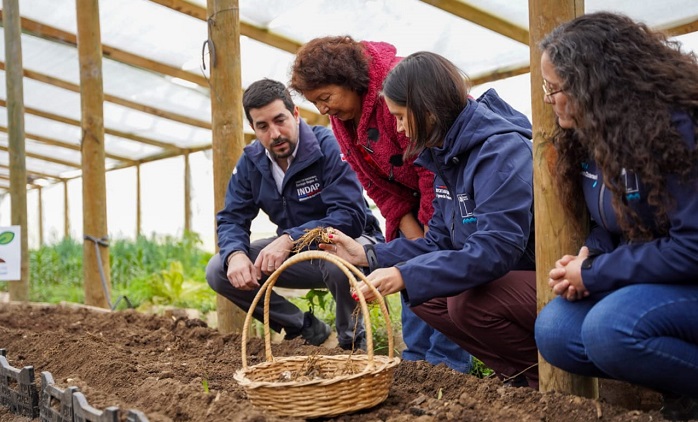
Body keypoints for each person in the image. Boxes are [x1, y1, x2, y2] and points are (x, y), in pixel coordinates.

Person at [322, 51, 539, 388]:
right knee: (424, 296)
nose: (398, 128)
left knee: (466, 303)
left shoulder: (499, 151)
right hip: (507, 275)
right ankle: (516, 374)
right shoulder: (444, 156)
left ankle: (544, 376)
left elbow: (496, 249)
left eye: (401, 116)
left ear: (427, 109)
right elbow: (438, 241)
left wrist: (405, 273)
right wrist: (368, 255)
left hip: (542, 276)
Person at [533, 12, 698, 420]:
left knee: (610, 330)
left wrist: (595, 274)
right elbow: (620, 223)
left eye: (554, 88)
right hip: (663, 279)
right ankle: (681, 391)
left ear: (593, 84)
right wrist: (591, 252)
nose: (549, 98)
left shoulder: (678, 129)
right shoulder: (599, 134)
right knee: (555, 331)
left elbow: (692, 246)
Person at [289, 35, 473, 373]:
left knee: (445, 268)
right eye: (316, 102)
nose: (323, 109)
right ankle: (417, 361)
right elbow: (372, 182)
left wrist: (432, 233)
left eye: (326, 97)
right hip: (412, 202)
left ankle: (448, 364)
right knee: (411, 269)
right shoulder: (343, 118)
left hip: (451, 186)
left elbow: (432, 163)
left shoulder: (397, 89)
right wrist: (413, 234)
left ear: (349, 80)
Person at [206, 78, 384, 352]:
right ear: (253, 128)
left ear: (296, 114)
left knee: (335, 255)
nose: (274, 133)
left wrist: (290, 237)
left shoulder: (328, 147)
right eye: (263, 126)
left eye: (280, 120)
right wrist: (235, 255)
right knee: (219, 269)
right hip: (299, 255)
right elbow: (232, 218)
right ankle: (304, 328)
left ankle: (352, 344)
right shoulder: (251, 163)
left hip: (354, 246)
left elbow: (350, 216)